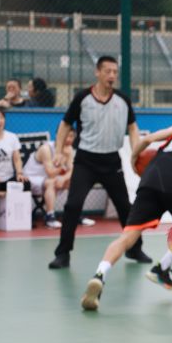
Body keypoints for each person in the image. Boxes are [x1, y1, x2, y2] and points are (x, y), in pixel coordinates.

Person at [81, 99, 172, 311]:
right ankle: (162, 268)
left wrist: (133, 158)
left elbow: (148, 139)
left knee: (127, 236)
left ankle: (100, 274)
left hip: (150, 179)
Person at [49, 55, 152, 269]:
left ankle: (134, 248)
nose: (112, 75)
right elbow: (65, 124)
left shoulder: (123, 100)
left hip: (112, 161)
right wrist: (58, 151)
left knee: (125, 207)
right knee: (73, 205)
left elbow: (133, 127)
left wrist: (136, 153)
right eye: (108, 71)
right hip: (86, 160)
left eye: (115, 72)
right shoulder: (82, 98)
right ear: (98, 72)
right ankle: (63, 254)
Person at [0, 108, 31, 227]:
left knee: (25, 183)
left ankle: (23, 216)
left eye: (1, 118)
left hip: (8, 178)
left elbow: (17, 159)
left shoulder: (12, 137)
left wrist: (19, 173)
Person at [23, 128, 76, 228]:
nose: (69, 139)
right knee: (51, 182)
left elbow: (72, 170)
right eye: (66, 135)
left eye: (71, 136)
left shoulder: (69, 149)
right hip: (31, 179)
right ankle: (50, 217)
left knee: (75, 182)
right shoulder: (46, 149)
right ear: (58, 136)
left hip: (49, 179)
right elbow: (51, 173)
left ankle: (75, 214)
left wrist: (64, 178)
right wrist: (64, 158)